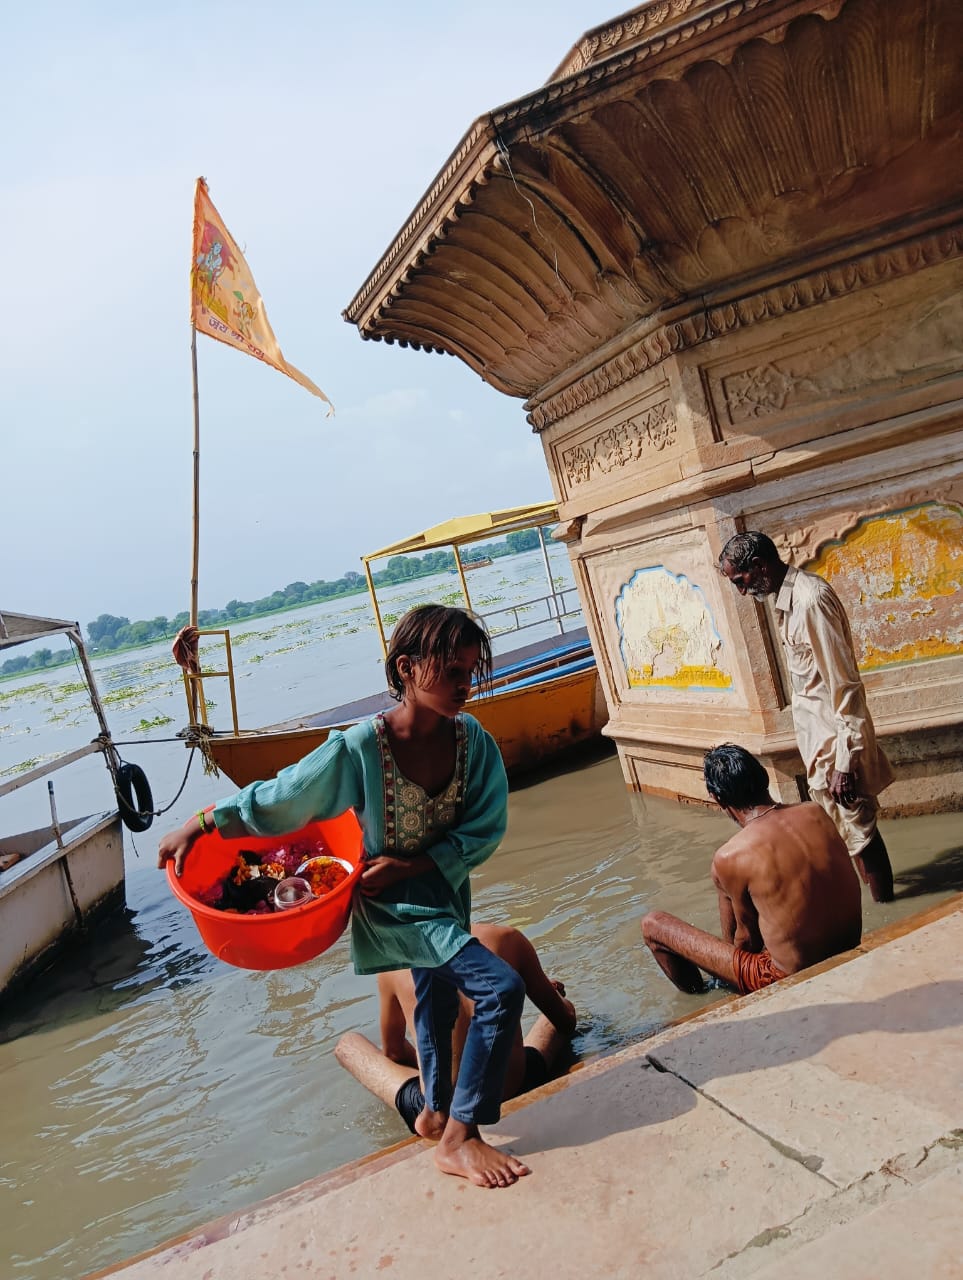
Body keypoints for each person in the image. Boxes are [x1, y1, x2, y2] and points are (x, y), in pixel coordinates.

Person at [158, 604, 531, 1189]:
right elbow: (287, 796)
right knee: (501, 987)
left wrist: (415, 863)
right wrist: (204, 822)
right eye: (451, 671)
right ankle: (461, 1138)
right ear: (406, 668)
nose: (464, 685)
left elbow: (487, 826)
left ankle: (434, 1111)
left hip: (443, 896)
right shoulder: (362, 747)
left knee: (433, 1001)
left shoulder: (473, 742)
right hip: (391, 906)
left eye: (469, 672)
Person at [718, 530, 895, 902]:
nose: (742, 592)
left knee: (862, 835)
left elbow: (844, 685)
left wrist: (845, 762)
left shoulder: (810, 600)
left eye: (741, 581)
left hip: (837, 745)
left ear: (759, 566)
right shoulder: (786, 602)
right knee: (847, 837)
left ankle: (891, 915)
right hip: (819, 743)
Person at [641, 744, 862, 995]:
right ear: (763, 778)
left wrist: (725, 963)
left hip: (784, 975)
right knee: (732, 885)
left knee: (653, 924)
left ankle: (706, 998)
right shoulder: (814, 811)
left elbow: (748, 941)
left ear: (718, 799)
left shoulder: (730, 855)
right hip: (848, 944)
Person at [335, 922, 577, 1131]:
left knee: (348, 1045)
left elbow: (394, 1053)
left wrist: (435, 1061)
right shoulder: (506, 937)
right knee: (562, 1006)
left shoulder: (393, 964)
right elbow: (565, 1023)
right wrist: (547, 992)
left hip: (439, 1111)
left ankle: (439, 1083)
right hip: (516, 1087)